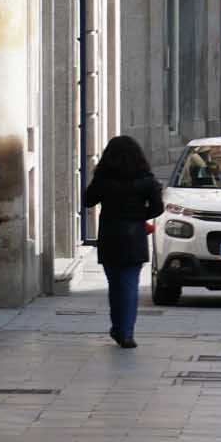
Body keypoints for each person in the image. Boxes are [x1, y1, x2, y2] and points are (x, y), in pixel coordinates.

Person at [82, 135, 164, 349]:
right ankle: (125, 332)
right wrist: (139, 214)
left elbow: (88, 200)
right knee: (129, 285)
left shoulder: (103, 178)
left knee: (115, 285)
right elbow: (158, 208)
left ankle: (118, 327)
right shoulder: (146, 179)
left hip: (110, 235)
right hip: (134, 235)